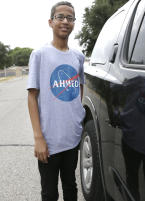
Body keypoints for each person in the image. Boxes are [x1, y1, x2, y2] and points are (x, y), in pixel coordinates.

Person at [27, 1, 85, 201]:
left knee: (71, 186)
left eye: (70, 18)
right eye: (60, 17)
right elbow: (32, 96)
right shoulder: (40, 55)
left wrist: (77, 118)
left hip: (72, 138)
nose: (65, 21)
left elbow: (80, 88)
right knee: (49, 192)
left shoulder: (78, 56)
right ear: (50, 22)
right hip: (49, 142)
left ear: (74, 23)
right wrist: (38, 138)